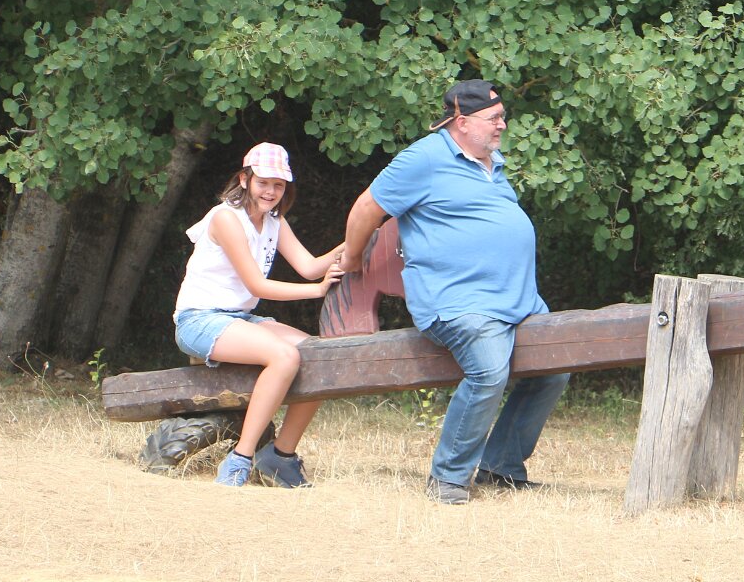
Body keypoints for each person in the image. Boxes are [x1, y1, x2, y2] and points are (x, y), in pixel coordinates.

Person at [341, 79, 571, 505]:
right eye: (494, 118)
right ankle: (448, 476)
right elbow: (365, 208)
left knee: (556, 367)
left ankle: (501, 466)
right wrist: (354, 258)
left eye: (503, 116)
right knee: (488, 372)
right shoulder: (424, 158)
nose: (503, 125)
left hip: (518, 300)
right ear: (462, 122)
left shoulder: (492, 161)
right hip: (458, 301)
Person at [173, 143, 345, 487]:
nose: (270, 191)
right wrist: (316, 291)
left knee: (322, 357)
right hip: (199, 320)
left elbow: (310, 266)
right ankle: (240, 459)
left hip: (238, 319)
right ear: (244, 179)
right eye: (263, 182)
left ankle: (280, 456)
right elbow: (257, 284)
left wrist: (359, 238)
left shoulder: (274, 221)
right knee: (284, 356)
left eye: (278, 185)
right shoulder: (225, 218)